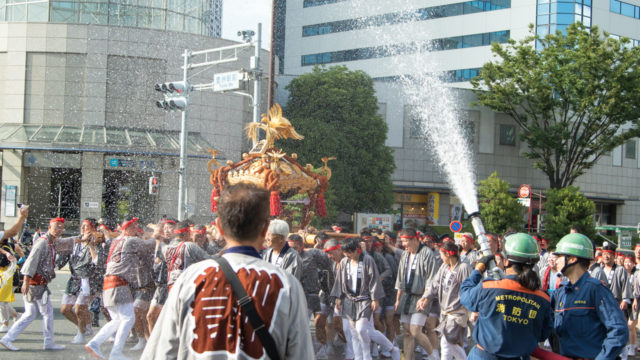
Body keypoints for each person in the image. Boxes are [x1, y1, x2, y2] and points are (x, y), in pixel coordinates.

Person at [142, 182, 313, 359]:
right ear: (265, 229)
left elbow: (161, 352)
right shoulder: (287, 285)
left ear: (219, 226)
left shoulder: (190, 279)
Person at [460, 233, 553, 359]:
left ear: (506, 260)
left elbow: (465, 296)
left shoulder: (489, 288)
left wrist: (477, 270)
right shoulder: (543, 298)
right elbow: (543, 334)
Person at [1, 214, 77, 352]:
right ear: (49, 228)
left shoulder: (52, 241)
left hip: (36, 284)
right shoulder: (42, 242)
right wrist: (26, 281)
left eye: (61, 228)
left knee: (31, 314)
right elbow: (31, 261)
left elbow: (67, 242)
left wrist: (82, 239)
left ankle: (9, 338)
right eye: (56, 227)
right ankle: (47, 342)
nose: (59, 230)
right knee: (46, 313)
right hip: (35, 284)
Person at [84, 216, 156, 360]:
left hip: (108, 284)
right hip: (118, 284)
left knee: (118, 319)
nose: (136, 229)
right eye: (134, 226)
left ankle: (95, 343)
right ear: (127, 228)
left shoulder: (116, 241)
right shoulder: (130, 240)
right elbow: (151, 244)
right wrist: (156, 231)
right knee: (128, 319)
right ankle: (115, 352)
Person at [552, 233, 628, 359]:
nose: (556, 260)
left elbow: (619, 331)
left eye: (560, 256)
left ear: (572, 259)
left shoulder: (595, 289)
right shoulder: (561, 293)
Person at [331, 237, 400, 360]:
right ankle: (362, 356)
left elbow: (374, 279)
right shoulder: (344, 262)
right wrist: (338, 297)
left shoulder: (368, 260)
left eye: (349, 252)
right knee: (355, 332)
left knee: (361, 330)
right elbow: (339, 281)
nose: (347, 255)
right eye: (345, 252)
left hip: (365, 299)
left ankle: (369, 356)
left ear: (357, 250)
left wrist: (375, 298)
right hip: (349, 299)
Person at [418, 241, 472, 360]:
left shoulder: (463, 268)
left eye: (441, 254)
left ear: (447, 254)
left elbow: (470, 289)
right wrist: (426, 297)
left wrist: (472, 310)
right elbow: (434, 285)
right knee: (449, 344)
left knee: (446, 343)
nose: (440, 257)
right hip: (445, 312)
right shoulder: (444, 267)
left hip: (457, 312)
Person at [394, 228, 438, 360]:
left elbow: (431, 279)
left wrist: (425, 298)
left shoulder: (427, 253)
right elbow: (400, 279)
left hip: (421, 296)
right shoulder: (405, 254)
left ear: (414, 239)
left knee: (415, 330)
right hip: (406, 297)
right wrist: (397, 300)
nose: (403, 245)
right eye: (401, 241)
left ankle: (432, 355)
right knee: (407, 332)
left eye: (405, 241)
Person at [59, 218, 103, 345]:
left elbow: (97, 261)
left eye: (87, 226)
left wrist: (90, 245)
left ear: (93, 229)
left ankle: (81, 333)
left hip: (89, 279)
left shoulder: (97, 242)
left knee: (79, 308)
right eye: (82, 226)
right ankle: (85, 327)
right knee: (65, 309)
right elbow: (63, 252)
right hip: (74, 279)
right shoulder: (76, 240)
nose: (83, 228)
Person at [0, 236, 23, 332]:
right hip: (9, 278)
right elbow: (18, 249)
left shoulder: (5, 249)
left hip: (9, 279)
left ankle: (5, 324)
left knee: (2, 301)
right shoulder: (10, 246)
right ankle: (17, 315)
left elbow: (2, 263)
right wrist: (22, 256)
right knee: (3, 302)